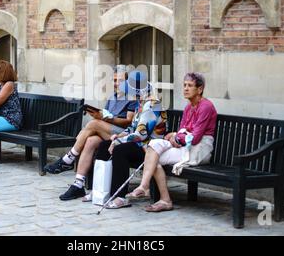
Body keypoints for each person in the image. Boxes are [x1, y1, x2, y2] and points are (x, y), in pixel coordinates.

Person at [126, 72, 217, 212]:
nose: (185, 88)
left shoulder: (206, 106)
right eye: (184, 85)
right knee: (154, 145)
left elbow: (196, 137)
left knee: (153, 157)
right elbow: (182, 130)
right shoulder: (188, 107)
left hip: (198, 150)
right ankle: (145, 187)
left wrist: (176, 137)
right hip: (186, 146)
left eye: (190, 86)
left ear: (200, 89)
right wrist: (176, 136)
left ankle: (165, 199)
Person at [50, 66, 138, 201]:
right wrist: (99, 114)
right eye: (114, 80)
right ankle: (78, 185)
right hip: (109, 132)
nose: (116, 83)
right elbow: (107, 114)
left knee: (93, 124)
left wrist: (105, 118)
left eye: (120, 80)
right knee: (90, 141)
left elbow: (128, 122)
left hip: (124, 135)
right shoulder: (113, 97)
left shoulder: (131, 98)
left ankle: (68, 158)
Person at [94, 70, 167, 209]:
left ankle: (120, 197)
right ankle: (101, 190)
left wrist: (119, 142)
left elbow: (141, 135)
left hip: (149, 147)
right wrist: (119, 136)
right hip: (139, 144)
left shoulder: (152, 104)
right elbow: (132, 128)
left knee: (120, 150)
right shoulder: (141, 103)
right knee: (105, 145)